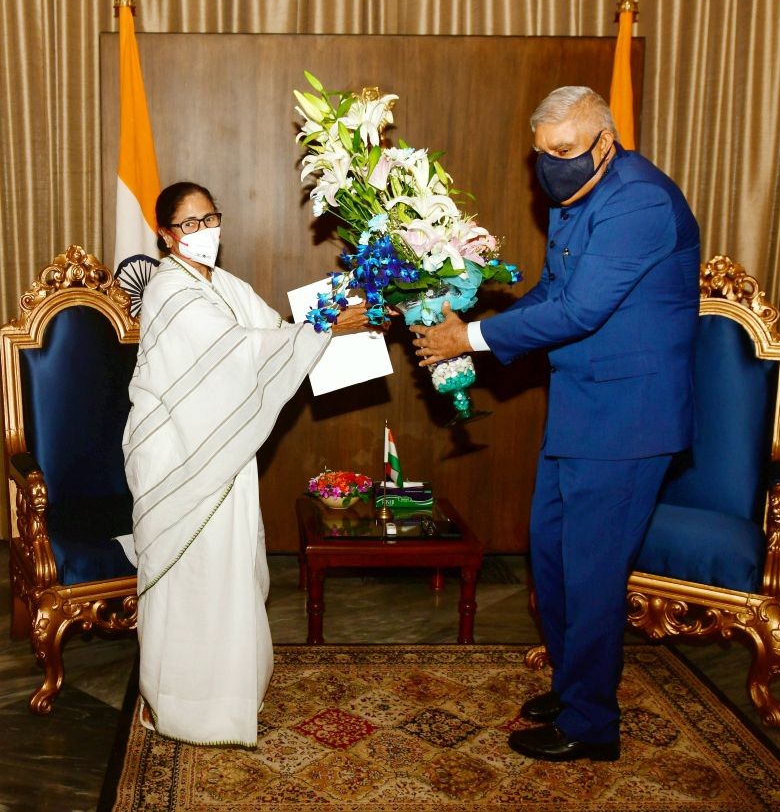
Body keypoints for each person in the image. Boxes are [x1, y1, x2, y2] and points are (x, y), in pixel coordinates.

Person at [411, 87, 699, 762]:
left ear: (605, 141)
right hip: (582, 408)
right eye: (541, 154)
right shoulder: (578, 199)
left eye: (563, 152)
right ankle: (576, 686)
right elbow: (551, 293)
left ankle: (592, 723)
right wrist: (471, 330)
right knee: (554, 557)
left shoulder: (638, 201)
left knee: (594, 574)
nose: (550, 168)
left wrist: (470, 339)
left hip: (630, 421)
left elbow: (582, 312)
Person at [123, 181, 369, 746]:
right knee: (192, 573)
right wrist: (326, 327)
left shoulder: (226, 285)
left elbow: (274, 337)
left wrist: (339, 315)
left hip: (224, 451)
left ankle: (230, 692)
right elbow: (236, 356)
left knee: (229, 569)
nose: (204, 232)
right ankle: (177, 703)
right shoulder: (168, 290)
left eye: (211, 218)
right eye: (189, 224)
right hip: (179, 459)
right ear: (164, 234)